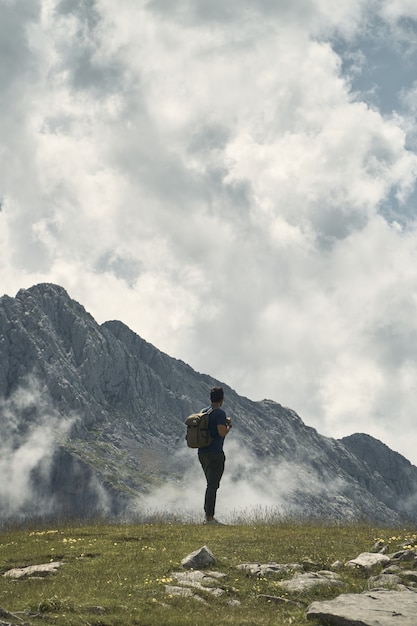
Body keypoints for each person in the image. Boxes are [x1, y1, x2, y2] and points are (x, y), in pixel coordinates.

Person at [198, 386, 232, 525]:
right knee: (213, 485)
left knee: (210, 484)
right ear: (222, 399)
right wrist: (229, 425)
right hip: (215, 453)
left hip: (202, 452)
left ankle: (208, 516)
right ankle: (209, 518)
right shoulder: (219, 413)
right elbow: (222, 432)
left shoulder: (204, 412)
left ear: (210, 398)